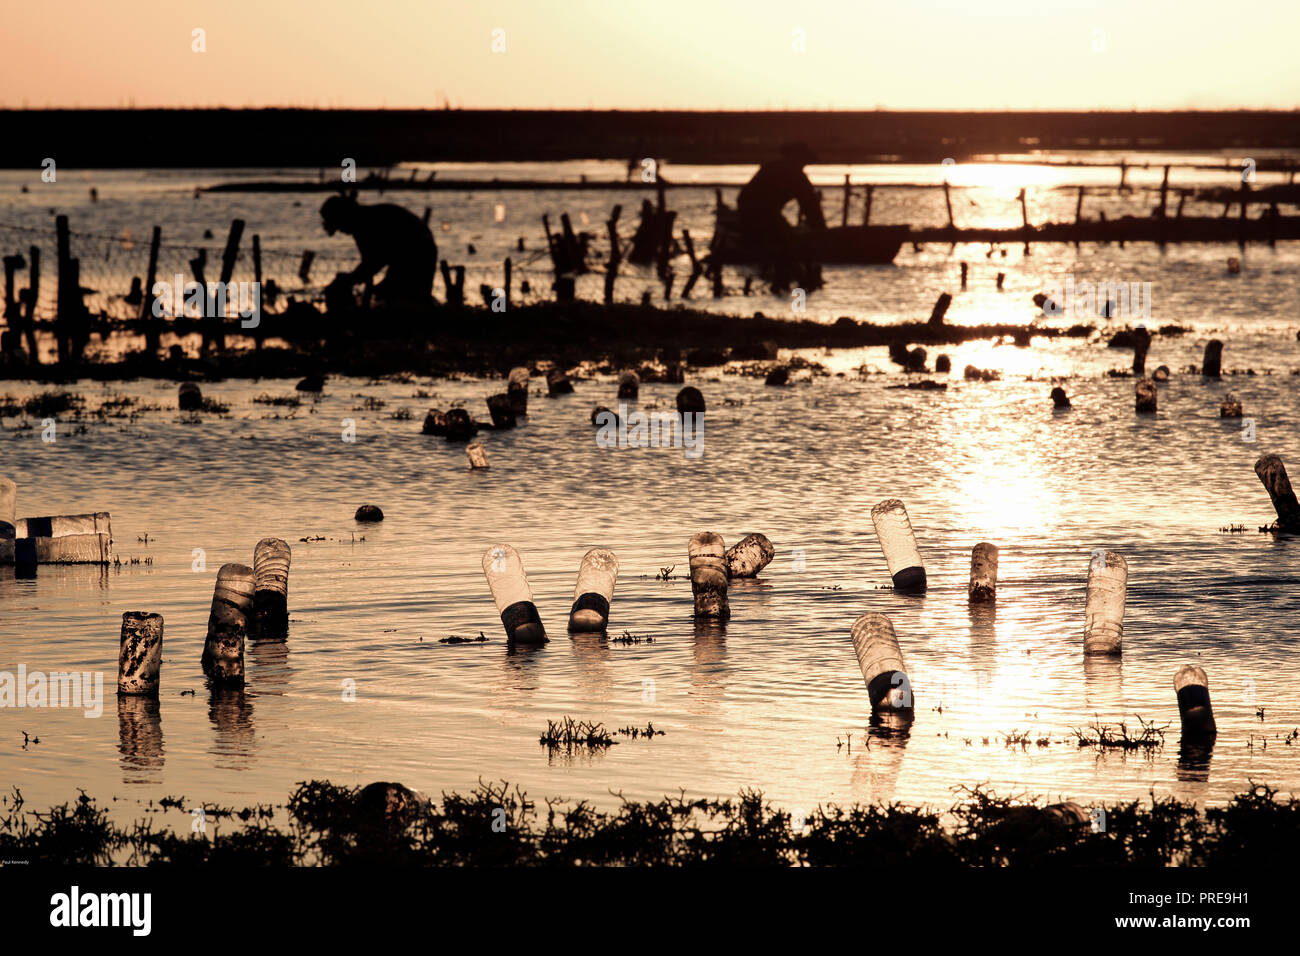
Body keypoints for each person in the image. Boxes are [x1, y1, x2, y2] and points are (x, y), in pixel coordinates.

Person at [734, 143, 826, 290]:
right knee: (786, 245)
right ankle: (783, 283)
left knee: (784, 243)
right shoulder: (795, 175)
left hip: (755, 210)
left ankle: (782, 282)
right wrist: (822, 230)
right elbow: (811, 206)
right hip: (761, 212)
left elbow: (810, 204)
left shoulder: (772, 167)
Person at [319, 195, 437, 307]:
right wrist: (355, 278)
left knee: (408, 300)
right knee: (392, 296)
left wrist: (351, 279)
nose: (341, 231)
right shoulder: (362, 222)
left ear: (344, 217)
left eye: (339, 226)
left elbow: (375, 261)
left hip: (418, 254)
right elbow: (372, 262)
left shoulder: (365, 224)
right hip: (409, 255)